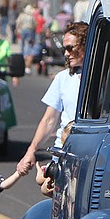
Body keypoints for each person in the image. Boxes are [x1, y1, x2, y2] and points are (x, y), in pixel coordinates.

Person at [17, 21, 88, 175]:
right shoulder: (62, 78)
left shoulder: (106, 78)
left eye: (70, 48)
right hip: (63, 153)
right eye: (64, 49)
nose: (66, 54)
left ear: (85, 46)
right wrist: (32, 150)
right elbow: (49, 120)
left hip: (89, 155)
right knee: (43, 183)